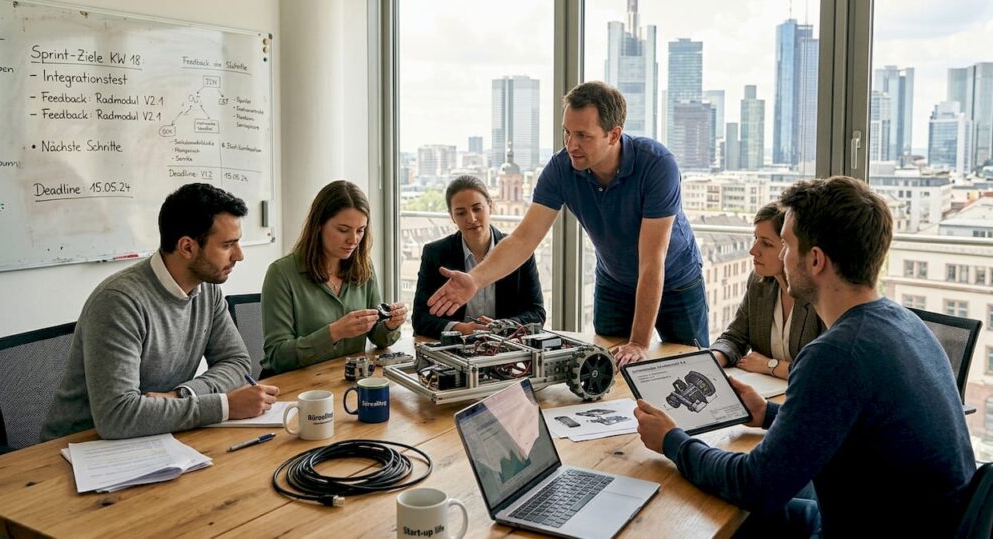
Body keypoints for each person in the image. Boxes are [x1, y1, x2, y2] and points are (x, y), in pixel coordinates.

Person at [634, 176, 976, 537]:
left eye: (786, 245)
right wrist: (768, 414)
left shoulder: (836, 355)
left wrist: (672, 441)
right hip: (919, 522)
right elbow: (851, 424)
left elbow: (756, 485)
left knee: (701, 519)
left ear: (815, 260)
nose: (782, 256)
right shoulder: (905, 322)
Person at [428, 81, 705, 366]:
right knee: (605, 368)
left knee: (693, 366)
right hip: (615, 281)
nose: (571, 145)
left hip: (676, 281)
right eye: (567, 132)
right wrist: (475, 279)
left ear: (613, 135)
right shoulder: (561, 169)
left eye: (583, 135)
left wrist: (638, 342)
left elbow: (652, 261)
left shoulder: (657, 165)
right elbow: (523, 240)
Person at [42, 183, 279, 441]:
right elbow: (116, 416)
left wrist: (183, 394)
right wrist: (224, 407)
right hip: (78, 447)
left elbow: (236, 362)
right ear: (187, 247)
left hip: (156, 435)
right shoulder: (119, 302)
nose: (239, 255)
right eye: (227, 245)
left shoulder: (207, 290)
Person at [261, 180, 406, 375]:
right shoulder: (281, 273)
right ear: (319, 225)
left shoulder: (364, 266)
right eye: (343, 230)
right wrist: (334, 332)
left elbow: (377, 337)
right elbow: (278, 357)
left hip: (345, 380)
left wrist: (390, 325)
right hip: (297, 386)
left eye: (360, 230)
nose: (353, 240)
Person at [412, 175, 545, 338]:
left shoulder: (518, 251)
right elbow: (420, 319)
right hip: (454, 348)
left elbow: (537, 314)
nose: (471, 219)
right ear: (452, 217)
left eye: (477, 209)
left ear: (490, 206)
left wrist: (501, 327)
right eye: (461, 213)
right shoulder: (435, 253)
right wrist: (461, 329)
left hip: (505, 347)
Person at [710, 203, 824, 379]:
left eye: (766, 244)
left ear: (792, 247)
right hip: (763, 389)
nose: (753, 250)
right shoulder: (759, 283)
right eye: (755, 238)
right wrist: (711, 360)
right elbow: (735, 338)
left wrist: (770, 365)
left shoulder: (819, 295)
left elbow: (822, 370)